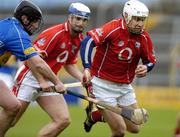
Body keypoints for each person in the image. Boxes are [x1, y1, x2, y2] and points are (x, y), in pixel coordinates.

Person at [11, 2, 91, 137]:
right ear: (70, 18)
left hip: (49, 79)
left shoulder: (78, 39)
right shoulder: (55, 33)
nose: (80, 23)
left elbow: (69, 64)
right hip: (30, 76)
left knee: (63, 120)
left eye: (84, 20)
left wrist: (82, 77)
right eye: (77, 18)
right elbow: (31, 59)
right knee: (11, 120)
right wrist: (41, 81)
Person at [80, 0, 156, 136]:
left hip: (124, 87)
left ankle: (95, 116)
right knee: (119, 130)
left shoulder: (144, 37)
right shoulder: (113, 28)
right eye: (137, 19)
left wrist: (146, 67)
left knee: (135, 127)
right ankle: (106, 113)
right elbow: (88, 42)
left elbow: (150, 60)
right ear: (126, 16)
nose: (140, 24)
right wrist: (86, 67)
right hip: (101, 85)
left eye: (143, 20)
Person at [0, 0, 66, 136]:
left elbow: (16, 46)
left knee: (13, 106)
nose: (36, 25)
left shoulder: (10, 26)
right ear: (24, 19)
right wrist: (57, 82)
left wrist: (34, 51)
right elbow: (39, 64)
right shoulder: (17, 33)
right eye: (35, 21)